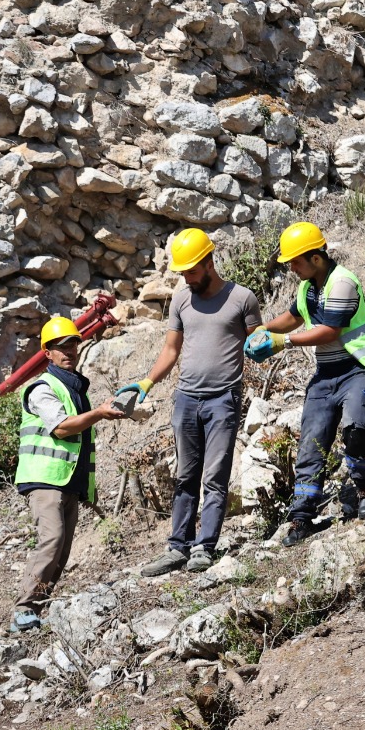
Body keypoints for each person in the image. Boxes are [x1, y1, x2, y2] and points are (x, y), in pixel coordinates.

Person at [129, 229, 263, 577]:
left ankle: (205, 547)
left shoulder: (242, 299)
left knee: (215, 476)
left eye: (191, 271)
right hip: (186, 399)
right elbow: (171, 350)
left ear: (208, 262)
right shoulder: (181, 300)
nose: (186, 278)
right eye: (182, 273)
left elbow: (259, 342)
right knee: (185, 476)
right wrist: (147, 381)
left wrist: (267, 345)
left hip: (224, 398)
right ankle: (178, 547)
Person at [246, 221, 365, 546]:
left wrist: (282, 342)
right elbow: (294, 316)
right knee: (311, 444)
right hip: (325, 375)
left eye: (295, 261)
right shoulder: (308, 286)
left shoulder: (343, 283)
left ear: (315, 257)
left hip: (358, 368)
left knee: (357, 426)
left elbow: (329, 331)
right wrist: (263, 330)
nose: (292, 268)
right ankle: (301, 517)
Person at [11, 317, 127, 633]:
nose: (69, 351)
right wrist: (100, 414)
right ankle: (23, 609)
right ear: (47, 352)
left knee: (62, 548)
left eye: (72, 344)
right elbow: (61, 428)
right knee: (52, 538)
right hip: (45, 477)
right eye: (61, 347)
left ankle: (37, 609)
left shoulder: (77, 389)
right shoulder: (42, 388)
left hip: (69, 479)